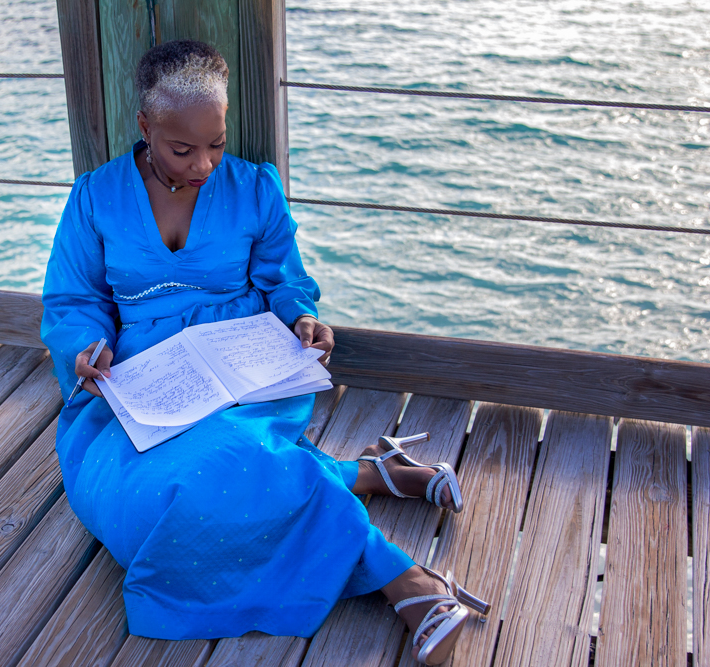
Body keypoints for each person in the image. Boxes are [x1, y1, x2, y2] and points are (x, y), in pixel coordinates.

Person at [40, 39, 488, 665]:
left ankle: (407, 582)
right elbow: (73, 298)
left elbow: (283, 280)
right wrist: (88, 349)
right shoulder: (94, 197)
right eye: (181, 147)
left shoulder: (255, 189)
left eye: (216, 144)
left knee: (231, 458)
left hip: (239, 366)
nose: (202, 164)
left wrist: (303, 318)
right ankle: (363, 475)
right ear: (145, 126)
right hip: (136, 386)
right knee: (143, 509)